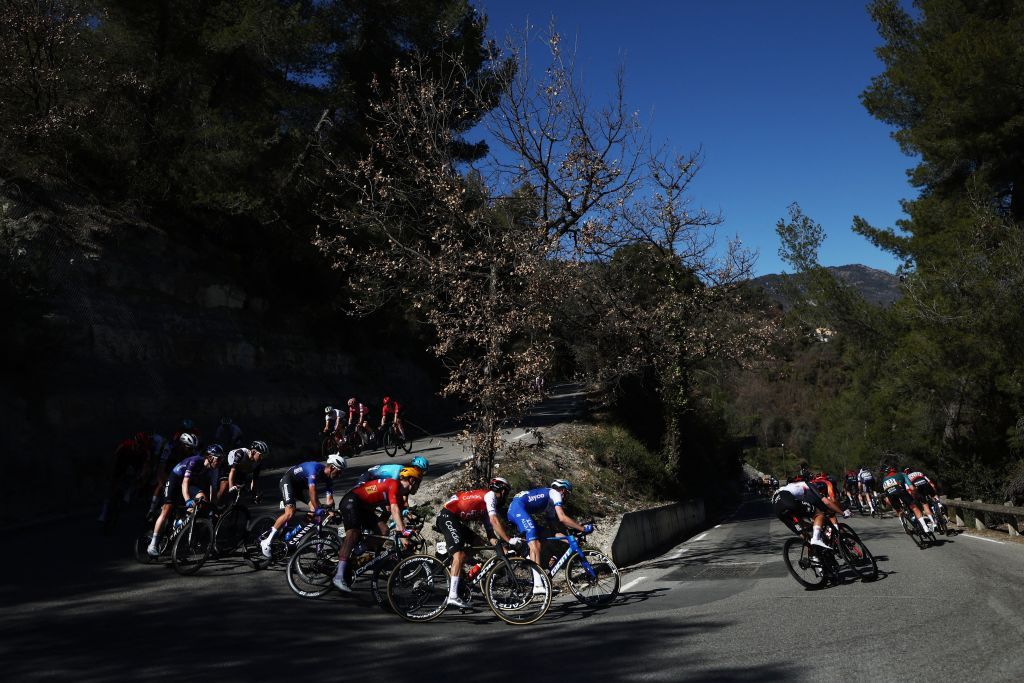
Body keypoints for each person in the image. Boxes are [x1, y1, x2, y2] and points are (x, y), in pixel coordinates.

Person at [332, 467, 421, 593]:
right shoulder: (394, 484)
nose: (418, 486)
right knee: (353, 533)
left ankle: (358, 550)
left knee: (384, 531)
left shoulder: (400, 495)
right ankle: (339, 577)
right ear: (412, 480)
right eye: (418, 482)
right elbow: (394, 510)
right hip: (352, 501)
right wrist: (403, 533)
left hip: (363, 508)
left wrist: (403, 539)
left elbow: (398, 519)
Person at [439, 477, 516, 609]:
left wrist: (503, 549)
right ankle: (452, 596)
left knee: (479, 542)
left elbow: (491, 536)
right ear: (502, 491)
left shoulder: (486, 507)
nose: (506, 496)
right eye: (506, 493)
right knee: (460, 555)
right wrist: (509, 539)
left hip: (455, 520)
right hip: (447, 516)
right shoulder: (490, 496)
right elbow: (494, 521)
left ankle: (457, 565)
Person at [507, 479, 592, 593]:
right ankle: (538, 586)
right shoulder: (555, 493)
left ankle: (529, 559)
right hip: (518, 509)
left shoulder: (549, 503)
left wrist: (570, 540)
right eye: (567, 494)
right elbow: (562, 518)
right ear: (563, 490)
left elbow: (554, 531)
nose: (566, 497)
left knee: (546, 534)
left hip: (518, 509)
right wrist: (583, 529)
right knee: (535, 544)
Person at [260, 453, 346, 558]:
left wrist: (332, 512)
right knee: (290, 512)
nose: (340, 475)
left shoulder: (328, 478)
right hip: (288, 481)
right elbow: (312, 492)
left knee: (313, 511)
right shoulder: (314, 469)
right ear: (332, 467)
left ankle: (294, 535)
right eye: (339, 471)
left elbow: (330, 500)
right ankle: (267, 541)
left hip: (300, 487)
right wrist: (319, 509)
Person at [146, 444, 225, 556]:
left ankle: (183, 520)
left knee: (203, 500)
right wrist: (188, 500)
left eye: (221, 459)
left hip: (190, 483)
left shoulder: (213, 469)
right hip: (176, 480)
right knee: (167, 509)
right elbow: (185, 483)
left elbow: (213, 488)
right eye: (219, 459)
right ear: (210, 457)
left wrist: (213, 505)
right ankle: (153, 544)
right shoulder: (195, 461)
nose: (220, 462)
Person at [772, 477, 850, 549]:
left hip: (777, 508)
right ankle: (816, 538)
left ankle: (815, 556)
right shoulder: (810, 484)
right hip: (786, 499)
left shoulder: (793, 488)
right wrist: (842, 513)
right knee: (819, 514)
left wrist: (813, 525)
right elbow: (825, 501)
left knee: (803, 532)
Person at [98, 432, 152, 523]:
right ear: (135, 442)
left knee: (136, 480)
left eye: (142, 446)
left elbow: (145, 466)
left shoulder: (144, 452)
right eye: (139, 445)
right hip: (121, 465)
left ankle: (127, 495)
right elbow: (114, 457)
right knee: (111, 490)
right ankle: (103, 513)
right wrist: (111, 472)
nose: (139, 448)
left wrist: (141, 476)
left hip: (134, 467)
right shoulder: (125, 445)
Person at [880, 467, 932, 533]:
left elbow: (886, 498)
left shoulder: (884, 479)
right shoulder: (902, 474)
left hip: (890, 495)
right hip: (900, 491)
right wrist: (916, 493)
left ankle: (905, 528)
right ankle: (925, 527)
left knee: (898, 511)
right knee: (914, 507)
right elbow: (912, 488)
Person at [355, 456, 429, 488]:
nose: (421, 474)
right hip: (367, 477)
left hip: (375, 480)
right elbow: (391, 486)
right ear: (415, 467)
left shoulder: (405, 473)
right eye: (421, 471)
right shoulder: (399, 470)